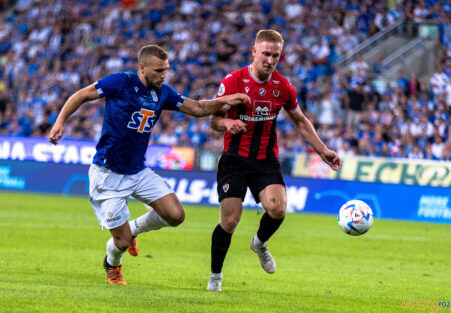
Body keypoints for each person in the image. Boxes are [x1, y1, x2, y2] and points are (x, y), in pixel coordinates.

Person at [48, 45, 250, 285]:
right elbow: (81, 95)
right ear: (142, 68)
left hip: (137, 171)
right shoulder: (121, 82)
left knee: (176, 215)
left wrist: (224, 100)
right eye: (158, 71)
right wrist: (60, 122)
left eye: (166, 70)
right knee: (120, 243)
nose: (163, 75)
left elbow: (196, 108)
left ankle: (133, 229)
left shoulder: (163, 93)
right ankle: (112, 264)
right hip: (108, 175)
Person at [206, 30, 342, 292]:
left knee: (278, 210)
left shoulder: (282, 87)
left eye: (275, 55)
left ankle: (258, 243)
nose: (270, 59)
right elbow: (213, 119)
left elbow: (300, 121)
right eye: (266, 53)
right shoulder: (233, 81)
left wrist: (323, 150)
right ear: (254, 51)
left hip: (265, 160)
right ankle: (215, 277)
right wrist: (227, 122)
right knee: (230, 221)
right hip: (234, 159)